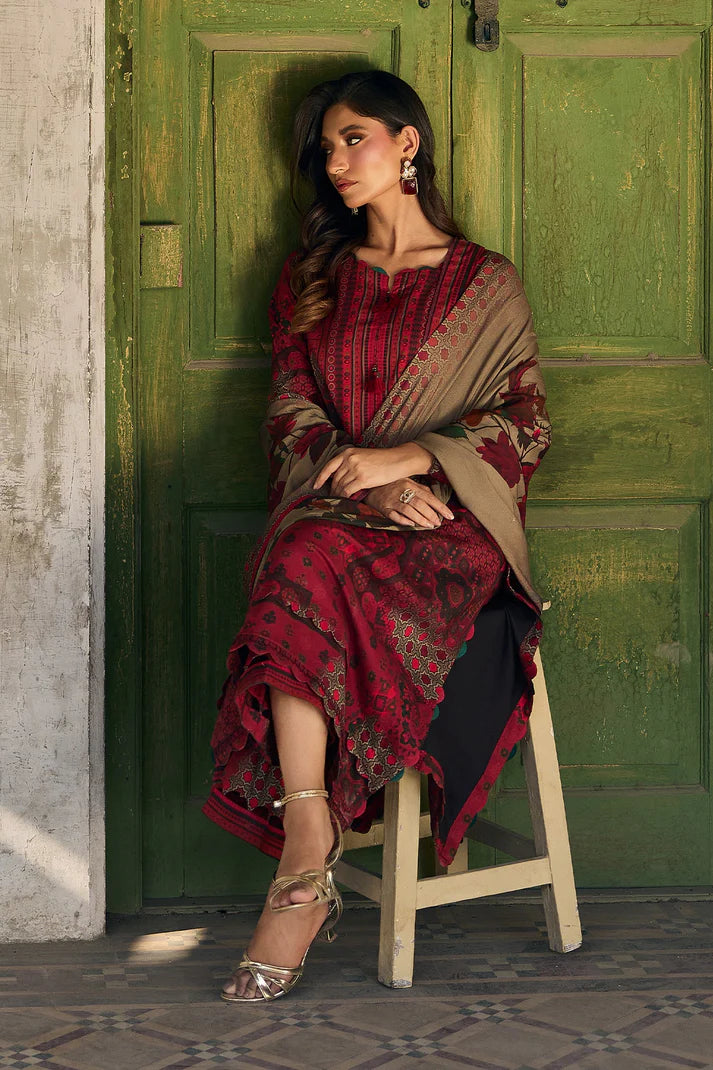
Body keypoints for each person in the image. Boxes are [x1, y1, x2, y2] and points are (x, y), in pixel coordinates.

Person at [202, 69, 551, 1003]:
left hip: (447, 526)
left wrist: (411, 463)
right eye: (324, 148)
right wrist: (363, 479)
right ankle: (308, 837)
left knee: (304, 561)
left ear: (407, 143)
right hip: (337, 507)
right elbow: (289, 409)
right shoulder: (313, 277)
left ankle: (303, 861)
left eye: (352, 138)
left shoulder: (484, 283)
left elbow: (525, 424)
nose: (334, 162)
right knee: (306, 556)